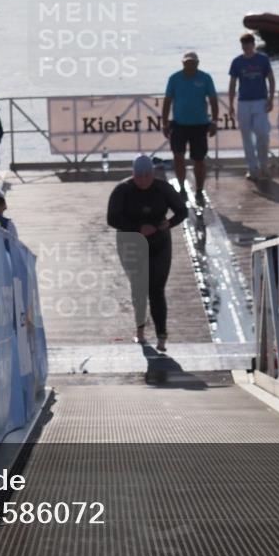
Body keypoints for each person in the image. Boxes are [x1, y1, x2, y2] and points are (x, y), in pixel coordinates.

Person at [107, 155, 187, 352]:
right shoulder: (122, 189)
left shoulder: (162, 188)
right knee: (139, 287)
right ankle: (140, 330)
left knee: (157, 289)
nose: (143, 180)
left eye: (147, 176)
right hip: (131, 241)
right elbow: (112, 218)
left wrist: (168, 223)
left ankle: (161, 336)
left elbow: (182, 211)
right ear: (133, 174)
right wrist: (137, 228)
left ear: (153, 174)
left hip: (159, 241)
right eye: (138, 176)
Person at [161, 51, 219, 207]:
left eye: (192, 63)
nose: (190, 66)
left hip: (200, 125)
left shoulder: (205, 78)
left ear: (197, 63)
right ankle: (181, 187)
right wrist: (165, 122)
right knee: (178, 156)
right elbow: (167, 100)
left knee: (199, 160)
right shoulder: (174, 78)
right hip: (179, 125)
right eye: (187, 63)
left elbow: (213, 100)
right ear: (182, 63)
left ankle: (199, 190)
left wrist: (214, 121)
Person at [228, 33, 275, 181]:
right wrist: (230, 103)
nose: (246, 47)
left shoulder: (263, 59)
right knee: (246, 136)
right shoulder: (237, 62)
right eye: (244, 44)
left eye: (248, 44)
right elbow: (233, 83)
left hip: (260, 101)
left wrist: (271, 99)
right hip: (243, 102)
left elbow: (271, 79)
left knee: (262, 133)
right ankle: (252, 168)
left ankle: (264, 165)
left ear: (253, 44)